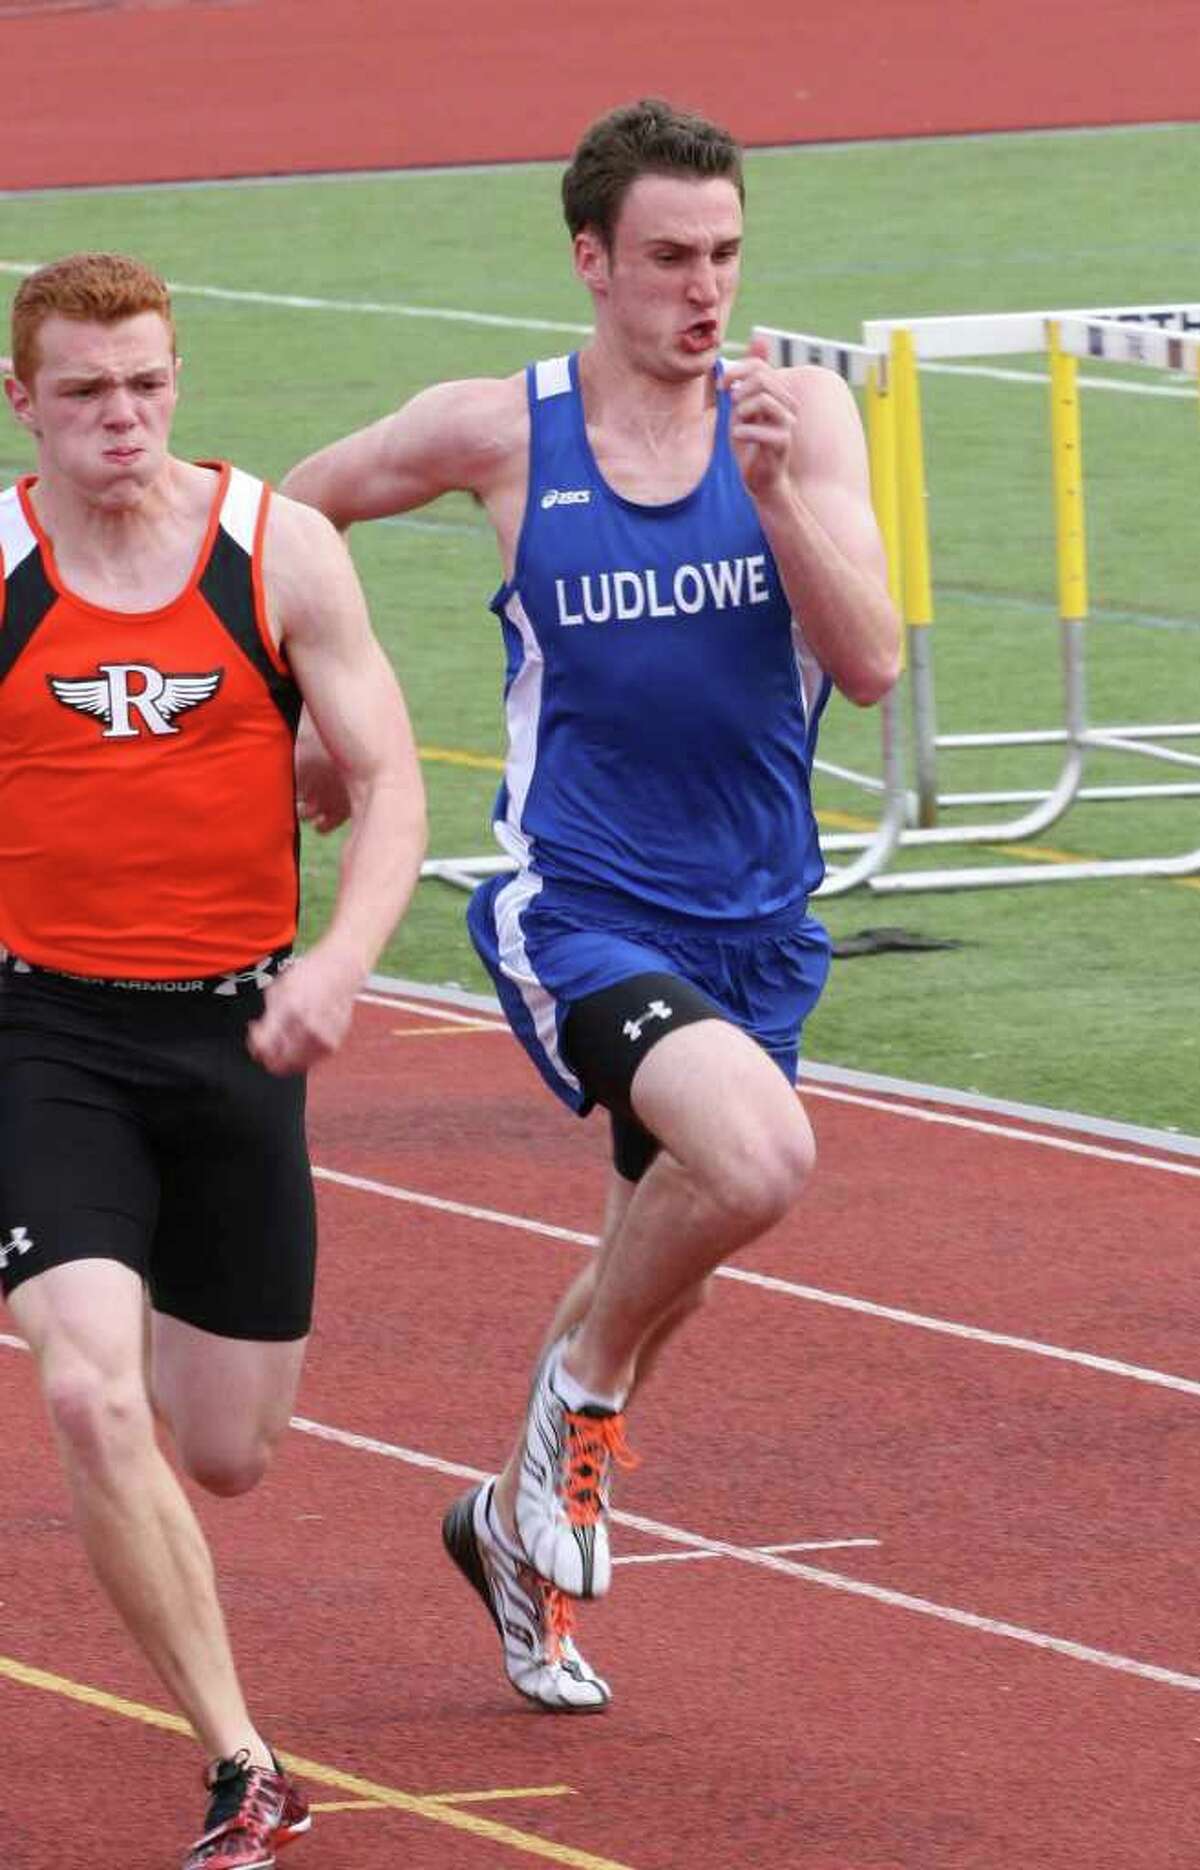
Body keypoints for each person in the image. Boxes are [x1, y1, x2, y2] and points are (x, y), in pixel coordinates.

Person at [281, 98, 900, 1712]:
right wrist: (315, 721)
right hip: (583, 903)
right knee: (758, 1159)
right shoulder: (504, 429)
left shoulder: (800, 419)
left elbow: (874, 660)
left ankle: (507, 1516)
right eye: (672, 259)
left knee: (664, 1247)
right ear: (592, 261)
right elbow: (297, 510)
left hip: (761, 916)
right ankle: (578, 1399)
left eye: (729, 256)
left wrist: (778, 499)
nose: (707, 291)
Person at [0, 253, 426, 1866]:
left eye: (149, 382)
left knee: (229, 1450)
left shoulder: (275, 551)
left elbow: (387, 783)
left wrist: (338, 962)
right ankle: (244, 1765)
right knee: (91, 1393)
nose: (124, 416)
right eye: (89, 389)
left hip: (240, 1028)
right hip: (42, 1028)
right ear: (22, 398)